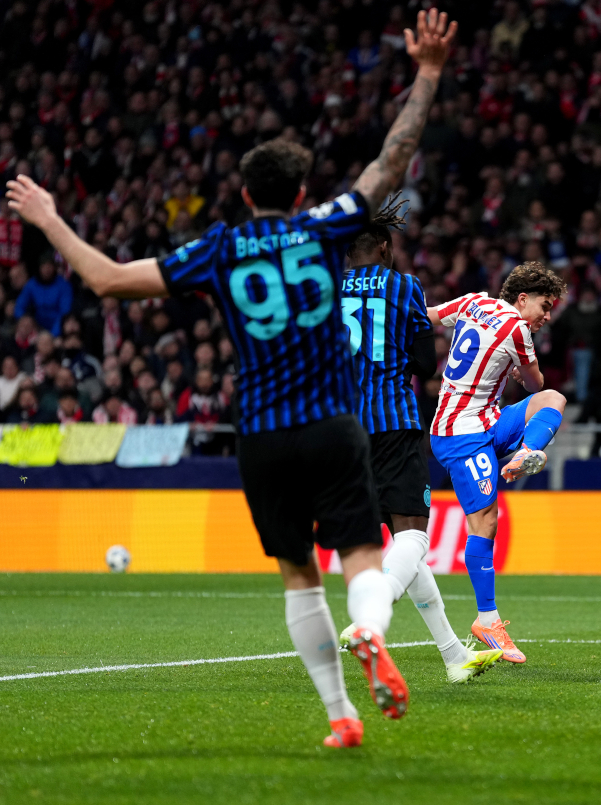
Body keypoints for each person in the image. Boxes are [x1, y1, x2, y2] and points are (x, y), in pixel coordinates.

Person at [5, 8, 460, 746]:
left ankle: (342, 716)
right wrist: (430, 72)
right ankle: (372, 629)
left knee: (296, 573)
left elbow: (110, 281)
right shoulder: (328, 224)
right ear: (303, 187)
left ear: (246, 195)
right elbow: (392, 160)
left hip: (263, 434)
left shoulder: (220, 248)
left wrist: (52, 218)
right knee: (362, 556)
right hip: (336, 425)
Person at [338, 195, 503, 683]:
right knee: (412, 534)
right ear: (385, 247)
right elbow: (426, 364)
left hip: (343, 431)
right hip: (393, 423)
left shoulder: (329, 291)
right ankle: (369, 622)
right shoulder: (403, 286)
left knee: (402, 544)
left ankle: (454, 655)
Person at [426, 261, 568, 663]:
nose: (546, 316)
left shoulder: (473, 302)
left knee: (552, 401)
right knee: (486, 520)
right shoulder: (517, 328)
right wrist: (522, 369)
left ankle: (526, 452)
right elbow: (534, 381)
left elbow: (430, 316)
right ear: (522, 298)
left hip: (484, 420)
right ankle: (486, 618)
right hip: (460, 434)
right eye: (544, 305)